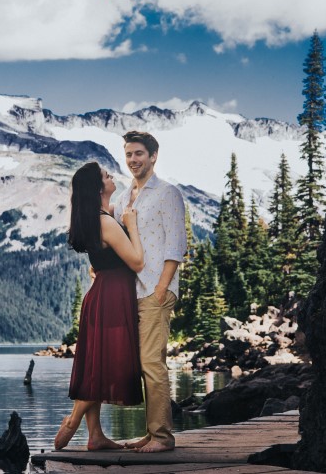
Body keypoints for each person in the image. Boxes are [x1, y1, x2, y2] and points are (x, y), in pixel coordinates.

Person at [54, 161, 145, 451]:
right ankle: (73, 420)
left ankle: (95, 436)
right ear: (97, 188)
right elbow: (136, 261)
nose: (111, 176)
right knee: (104, 366)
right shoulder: (105, 222)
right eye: (106, 175)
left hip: (101, 295)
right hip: (113, 297)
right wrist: (131, 226)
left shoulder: (99, 217)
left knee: (97, 362)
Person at [113, 130, 187, 453]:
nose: (133, 160)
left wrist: (161, 288)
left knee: (152, 363)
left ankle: (162, 437)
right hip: (133, 293)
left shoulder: (168, 193)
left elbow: (176, 245)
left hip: (156, 290)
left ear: (153, 156)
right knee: (143, 364)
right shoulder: (126, 197)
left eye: (139, 154)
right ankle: (152, 431)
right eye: (129, 154)